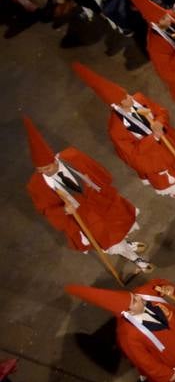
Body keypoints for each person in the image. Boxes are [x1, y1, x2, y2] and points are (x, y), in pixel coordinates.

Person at [70, 64, 175, 223]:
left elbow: (161, 111)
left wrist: (159, 122)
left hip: (167, 146)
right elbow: (133, 153)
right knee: (171, 184)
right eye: (126, 99)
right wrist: (152, 138)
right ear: (118, 105)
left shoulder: (139, 100)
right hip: (151, 160)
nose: (130, 98)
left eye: (127, 94)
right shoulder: (116, 129)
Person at [25, 117, 150, 274]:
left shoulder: (72, 156)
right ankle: (134, 257)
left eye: (47, 167)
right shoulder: (36, 185)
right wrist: (64, 211)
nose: (44, 172)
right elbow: (45, 209)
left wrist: (103, 186)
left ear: (54, 160)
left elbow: (95, 168)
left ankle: (126, 243)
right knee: (109, 239)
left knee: (119, 225)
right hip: (84, 216)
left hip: (100, 200)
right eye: (40, 170)